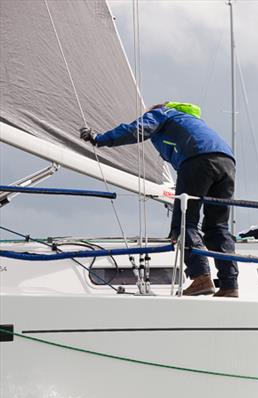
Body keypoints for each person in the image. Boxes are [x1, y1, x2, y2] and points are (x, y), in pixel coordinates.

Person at [79, 101, 239, 297]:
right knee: (217, 227)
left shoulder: (163, 113)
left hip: (197, 159)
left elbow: (137, 129)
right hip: (227, 162)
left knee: (184, 223)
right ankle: (230, 285)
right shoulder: (191, 120)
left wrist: (100, 139)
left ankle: (201, 277)